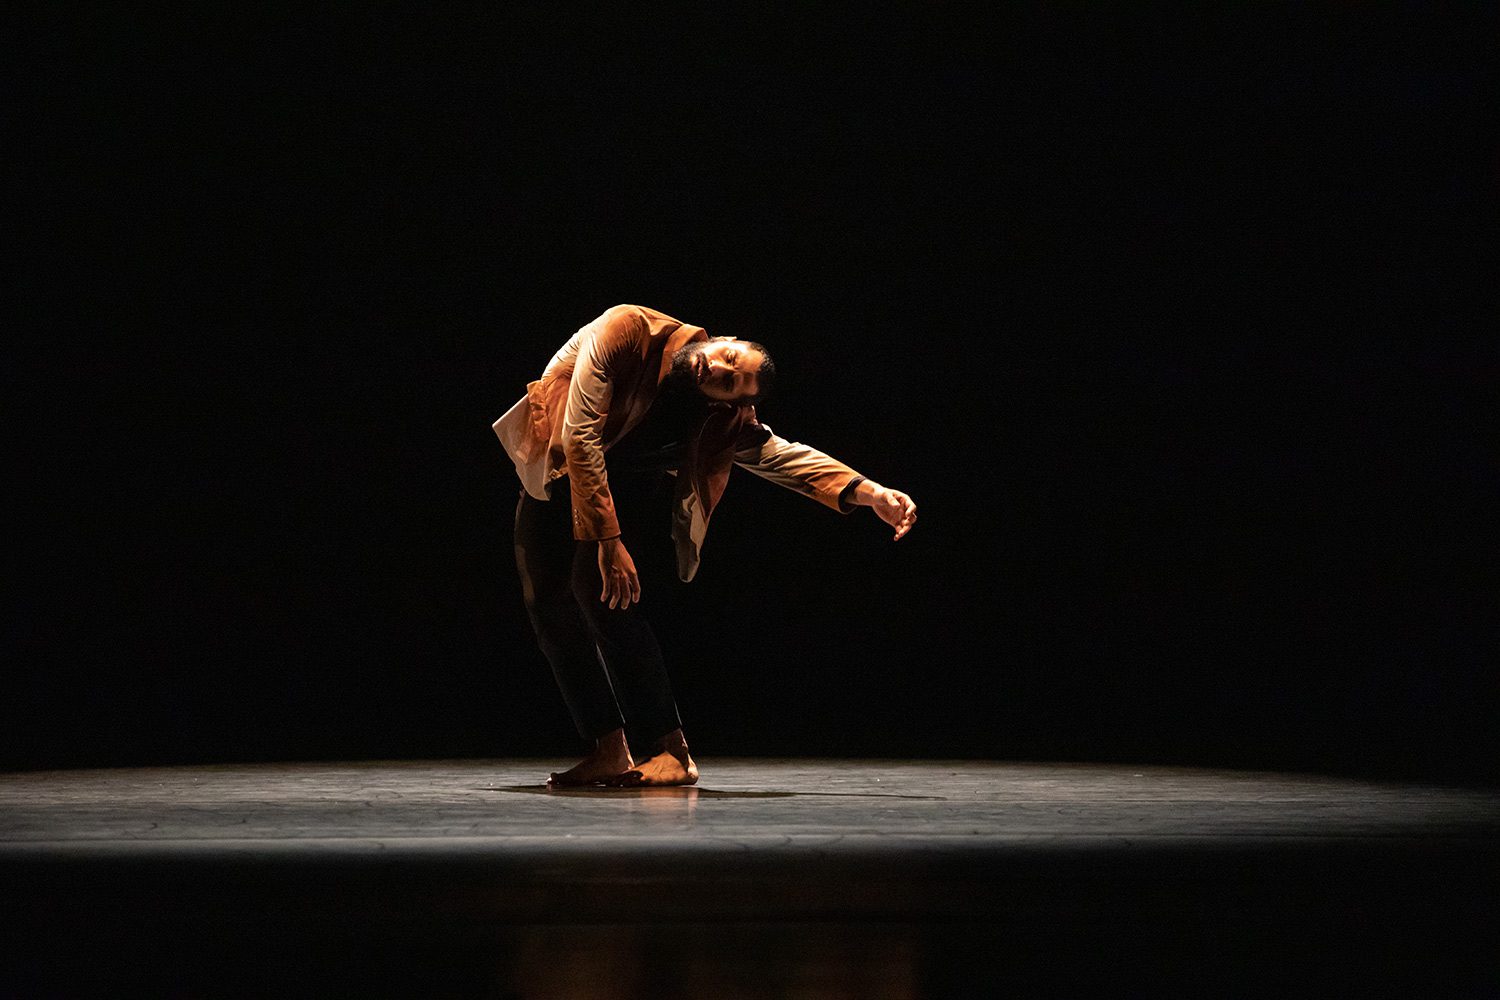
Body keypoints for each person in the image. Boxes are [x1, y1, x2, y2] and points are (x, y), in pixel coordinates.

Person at [494, 304, 916, 787]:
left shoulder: (718, 413)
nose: (718, 370)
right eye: (728, 359)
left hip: (622, 487)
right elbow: (580, 436)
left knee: (606, 600)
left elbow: (776, 454)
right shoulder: (627, 329)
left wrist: (869, 493)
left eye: (730, 383)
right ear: (726, 339)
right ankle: (608, 749)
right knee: (547, 605)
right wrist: (607, 539)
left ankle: (672, 752)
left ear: (726, 402)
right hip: (561, 464)